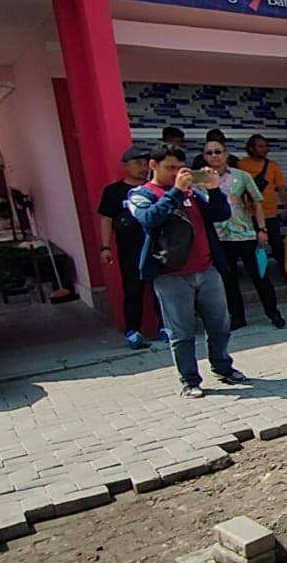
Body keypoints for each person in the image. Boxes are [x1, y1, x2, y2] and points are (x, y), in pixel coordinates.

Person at [128, 143, 246, 399]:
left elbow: (221, 213)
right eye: (169, 168)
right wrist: (175, 193)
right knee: (181, 333)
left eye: (180, 168)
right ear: (153, 166)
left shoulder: (194, 193)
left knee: (220, 324)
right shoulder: (142, 194)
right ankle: (190, 380)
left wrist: (214, 191)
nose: (175, 174)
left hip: (206, 270)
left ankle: (222, 366)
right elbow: (149, 218)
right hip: (170, 276)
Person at [207, 139, 285, 330]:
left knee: (260, 276)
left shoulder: (241, 176)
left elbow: (257, 202)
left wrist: (262, 229)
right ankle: (237, 317)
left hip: (245, 234)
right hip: (219, 237)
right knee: (229, 280)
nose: (214, 156)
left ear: (226, 154)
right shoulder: (200, 179)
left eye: (218, 152)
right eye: (209, 153)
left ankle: (273, 313)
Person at [97, 145, 163, 349]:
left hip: (156, 246)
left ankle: (165, 326)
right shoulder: (114, 192)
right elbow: (106, 220)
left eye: (145, 163)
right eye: (137, 163)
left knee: (160, 289)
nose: (142, 168)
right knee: (133, 290)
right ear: (126, 166)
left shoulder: (153, 189)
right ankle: (133, 330)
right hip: (129, 248)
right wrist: (105, 247)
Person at [236, 134, 287, 249]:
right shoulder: (241, 164)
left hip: (270, 212)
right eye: (260, 146)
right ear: (251, 148)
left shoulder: (273, 166)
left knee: (276, 243)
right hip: (249, 213)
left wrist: (285, 206)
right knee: (251, 245)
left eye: (266, 146)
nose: (264, 149)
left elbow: (281, 187)